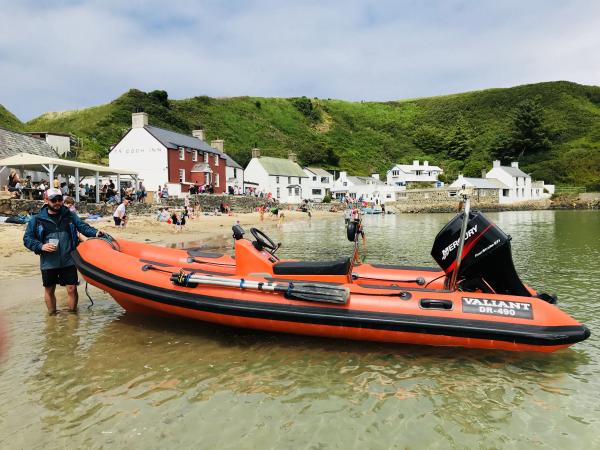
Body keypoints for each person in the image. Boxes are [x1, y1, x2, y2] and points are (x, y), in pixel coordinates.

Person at [23, 188, 104, 315]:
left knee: (72, 289)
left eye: (60, 199)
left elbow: (82, 227)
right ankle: (52, 317)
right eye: (53, 200)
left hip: (69, 259)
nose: (57, 202)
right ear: (46, 200)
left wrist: (96, 232)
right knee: (49, 289)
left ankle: (72, 317)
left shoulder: (70, 215)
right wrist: (40, 246)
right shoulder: (37, 219)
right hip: (48, 262)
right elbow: (27, 239)